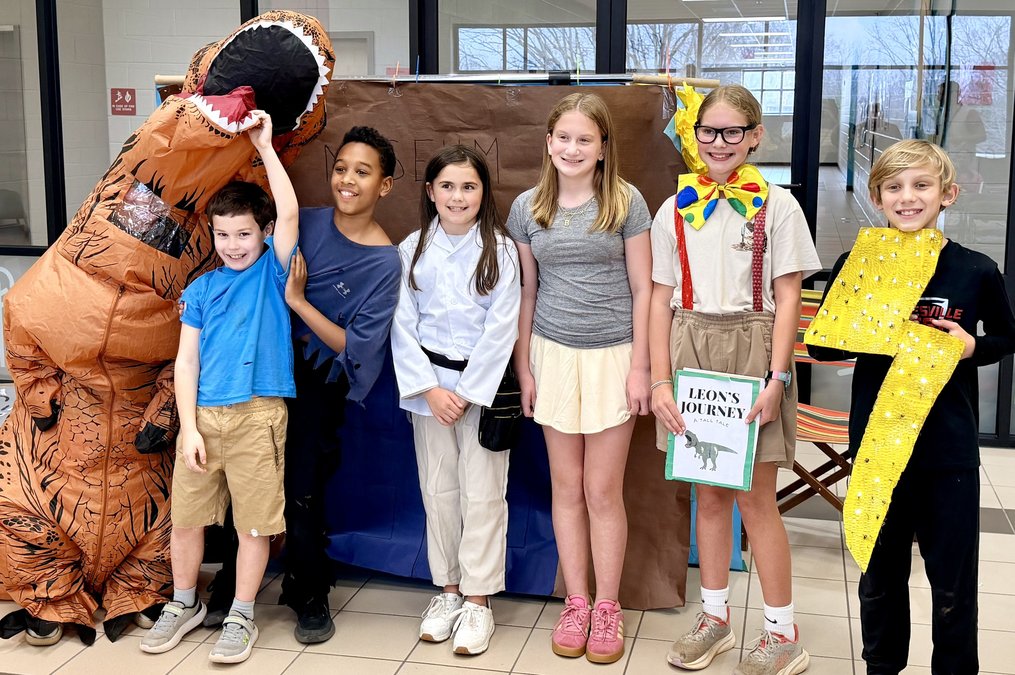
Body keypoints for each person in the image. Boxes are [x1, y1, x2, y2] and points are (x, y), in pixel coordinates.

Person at [809, 139, 1015, 675]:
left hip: (948, 449)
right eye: (894, 187)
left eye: (922, 185)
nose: (907, 197)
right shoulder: (857, 265)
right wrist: (872, 326)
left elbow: (1007, 336)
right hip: (877, 444)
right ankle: (881, 667)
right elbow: (822, 346)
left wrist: (971, 347)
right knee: (879, 575)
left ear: (948, 194)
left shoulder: (975, 269)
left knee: (953, 582)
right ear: (877, 197)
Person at [649, 84, 820, 674]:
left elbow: (788, 296)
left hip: (755, 349)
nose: (718, 142)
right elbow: (660, 299)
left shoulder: (778, 206)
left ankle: (782, 632)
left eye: (731, 132)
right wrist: (660, 381)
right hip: (690, 346)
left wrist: (777, 377)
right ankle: (715, 618)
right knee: (710, 494)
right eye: (708, 131)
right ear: (693, 135)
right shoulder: (673, 209)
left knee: (756, 498)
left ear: (754, 136)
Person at [139, 110, 298, 664]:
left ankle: (241, 614)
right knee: (186, 519)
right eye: (223, 234)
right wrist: (188, 428)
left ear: (264, 233)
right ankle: (184, 603)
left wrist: (265, 147)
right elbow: (186, 362)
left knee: (254, 524)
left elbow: (290, 211)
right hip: (203, 418)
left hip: (258, 415)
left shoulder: (273, 272)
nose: (233, 245)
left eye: (244, 234)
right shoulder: (202, 289)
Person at [507, 92, 652, 665]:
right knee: (565, 488)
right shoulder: (528, 208)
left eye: (584, 139)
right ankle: (577, 602)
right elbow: (526, 292)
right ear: (548, 143)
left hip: (615, 357)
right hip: (552, 356)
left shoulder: (626, 202)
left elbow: (644, 290)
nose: (572, 148)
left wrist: (642, 368)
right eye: (563, 138)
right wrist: (524, 367)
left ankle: (608, 607)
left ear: (602, 147)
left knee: (601, 490)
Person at [390, 145, 521, 656]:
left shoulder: (500, 250)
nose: (457, 196)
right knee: (438, 490)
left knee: (483, 494)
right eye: (447, 186)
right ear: (430, 192)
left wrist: (466, 393)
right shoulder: (413, 248)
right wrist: (429, 388)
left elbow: (502, 327)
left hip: (480, 391)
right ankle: (448, 590)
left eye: (468, 186)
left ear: (483, 192)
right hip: (429, 389)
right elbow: (401, 324)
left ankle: (478, 600)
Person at [281, 126, 402, 643]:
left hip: (318, 381)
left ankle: (309, 592)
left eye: (362, 172)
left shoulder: (386, 262)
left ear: (385, 186)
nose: (347, 180)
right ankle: (230, 590)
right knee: (243, 473)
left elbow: (356, 348)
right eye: (341, 168)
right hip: (263, 366)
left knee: (302, 485)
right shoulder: (303, 221)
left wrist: (300, 302)